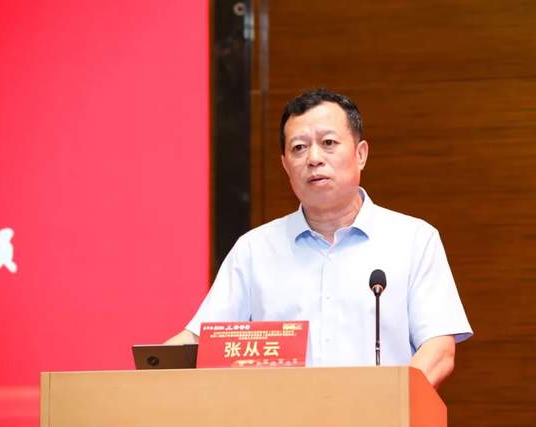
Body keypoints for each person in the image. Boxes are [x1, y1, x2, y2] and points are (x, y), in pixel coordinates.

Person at [166, 89, 472, 388]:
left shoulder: (413, 240)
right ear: (285, 165)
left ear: (360, 154)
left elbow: (439, 350)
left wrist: (389, 402)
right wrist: (151, 368)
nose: (313, 158)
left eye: (328, 143)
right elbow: (201, 341)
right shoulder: (254, 250)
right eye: (299, 147)